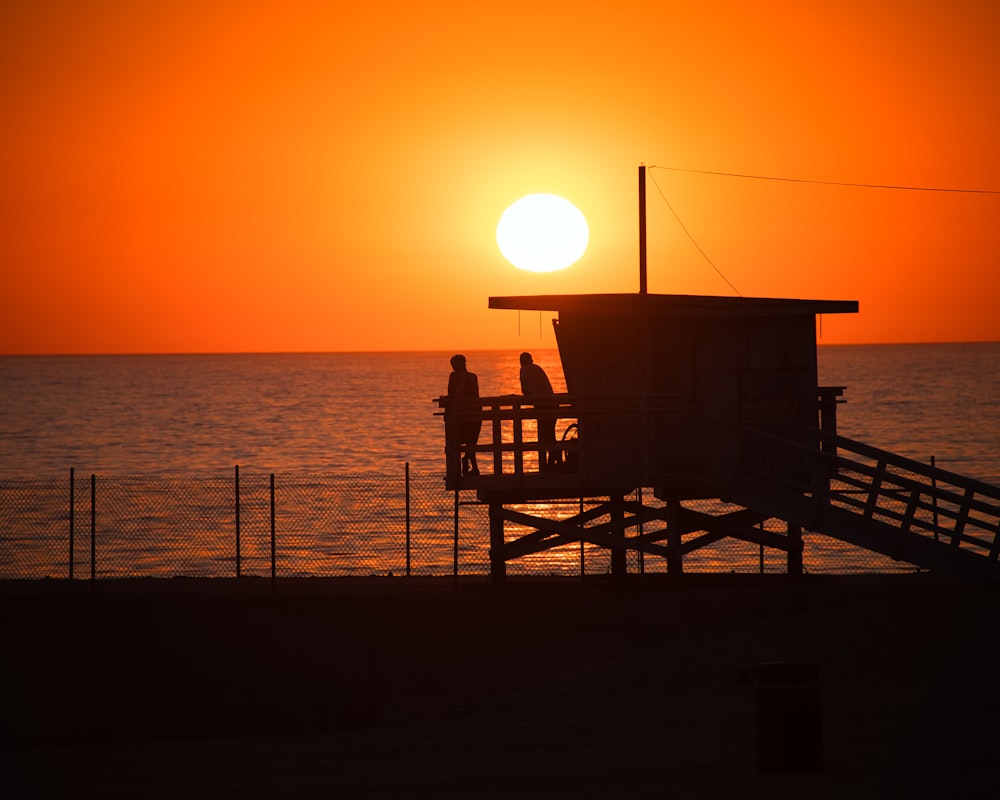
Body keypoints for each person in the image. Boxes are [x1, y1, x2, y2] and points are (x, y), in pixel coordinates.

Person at [519, 352, 560, 470]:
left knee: (546, 434)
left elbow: (524, 390)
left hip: (543, 406)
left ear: (521, 361)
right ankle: (553, 461)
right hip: (553, 404)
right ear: (531, 360)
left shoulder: (524, 370)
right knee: (549, 434)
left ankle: (552, 462)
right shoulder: (537, 368)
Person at [447, 354, 481, 476]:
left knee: (458, 441)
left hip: (462, 414)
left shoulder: (454, 376)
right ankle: (473, 466)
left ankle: (464, 465)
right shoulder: (473, 376)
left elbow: (453, 394)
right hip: (476, 413)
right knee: (471, 442)